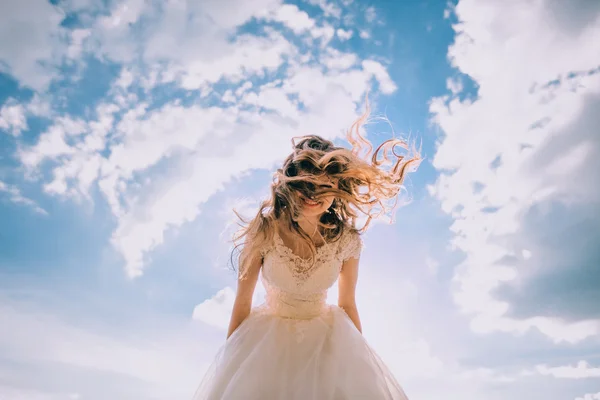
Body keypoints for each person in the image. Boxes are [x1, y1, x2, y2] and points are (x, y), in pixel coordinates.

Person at [192, 110, 421, 399]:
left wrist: (362, 366)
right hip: (266, 346)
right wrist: (230, 366)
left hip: (327, 343)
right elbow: (242, 304)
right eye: (307, 184)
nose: (314, 194)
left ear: (339, 190)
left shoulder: (346, 241)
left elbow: (348, 304)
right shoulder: (263, 231)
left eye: (325, 186)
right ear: (292, 183)